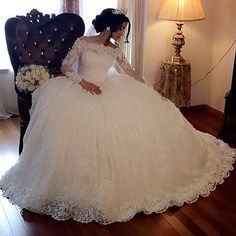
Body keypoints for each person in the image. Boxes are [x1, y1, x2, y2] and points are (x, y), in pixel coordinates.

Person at [0, 8, 235, 225]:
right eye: (121, 28)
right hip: (80, 89)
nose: (123, 33)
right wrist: (83, 83)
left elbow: (127, 69)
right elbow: (65, 67)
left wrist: (145, 85)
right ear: (109, 26)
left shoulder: (115, 48)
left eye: (124, 29)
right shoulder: (83, 43)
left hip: (109, 88)